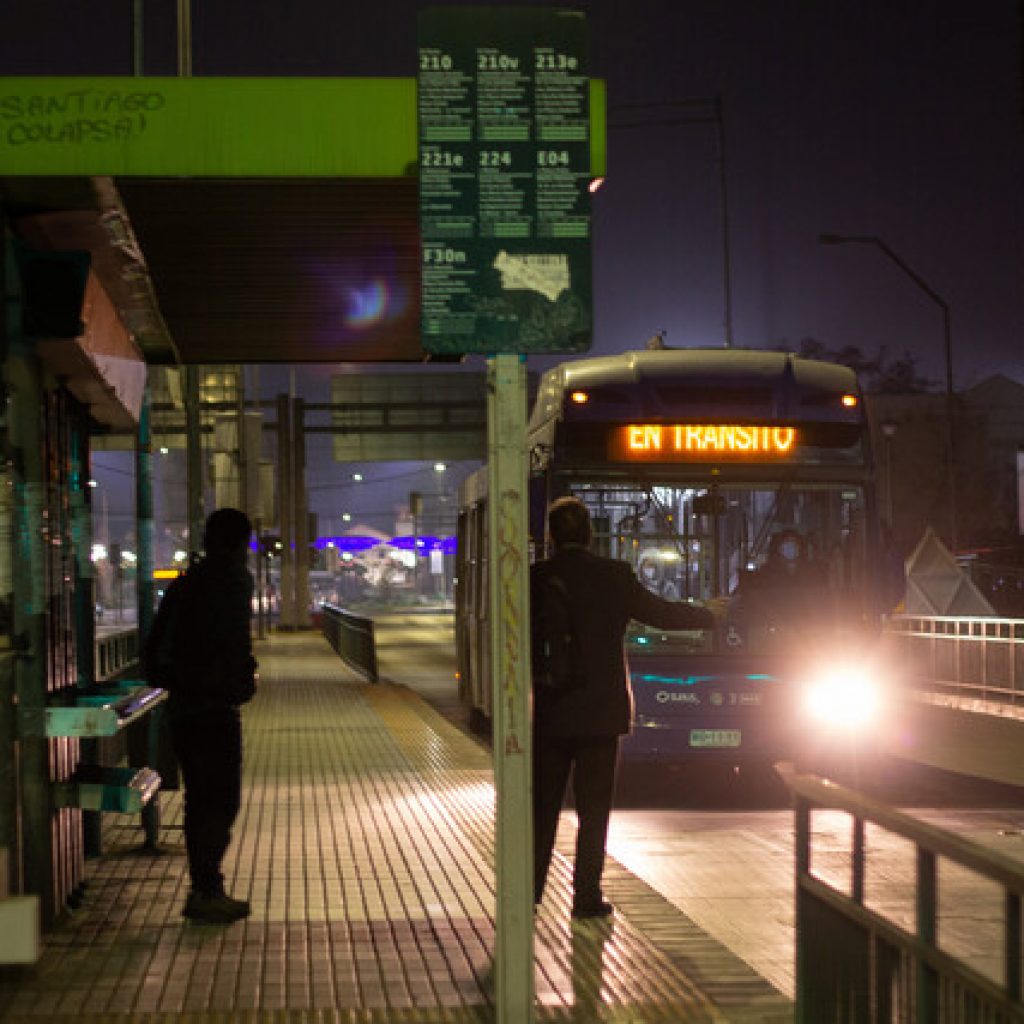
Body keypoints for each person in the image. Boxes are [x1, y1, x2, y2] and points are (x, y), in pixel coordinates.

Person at [531, 496, 718, 919]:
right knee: (593, 811)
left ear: (552, 537)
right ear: (590, 533)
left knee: (542, 808)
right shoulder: (614, 577)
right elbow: (660, 614)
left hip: (551, 711)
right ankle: (586, 898)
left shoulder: (536, 578)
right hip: (601, 714)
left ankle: (529, 893)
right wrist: (708, 616)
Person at [146, 508, 258, 924]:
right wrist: (241, 680)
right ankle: (207, 890)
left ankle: (204, 888)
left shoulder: (187, 581)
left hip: (184, 707)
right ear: (238, 543)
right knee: (220, 801)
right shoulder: (229, 581)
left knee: (199, 800)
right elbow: (234, 642)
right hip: (213, 707)